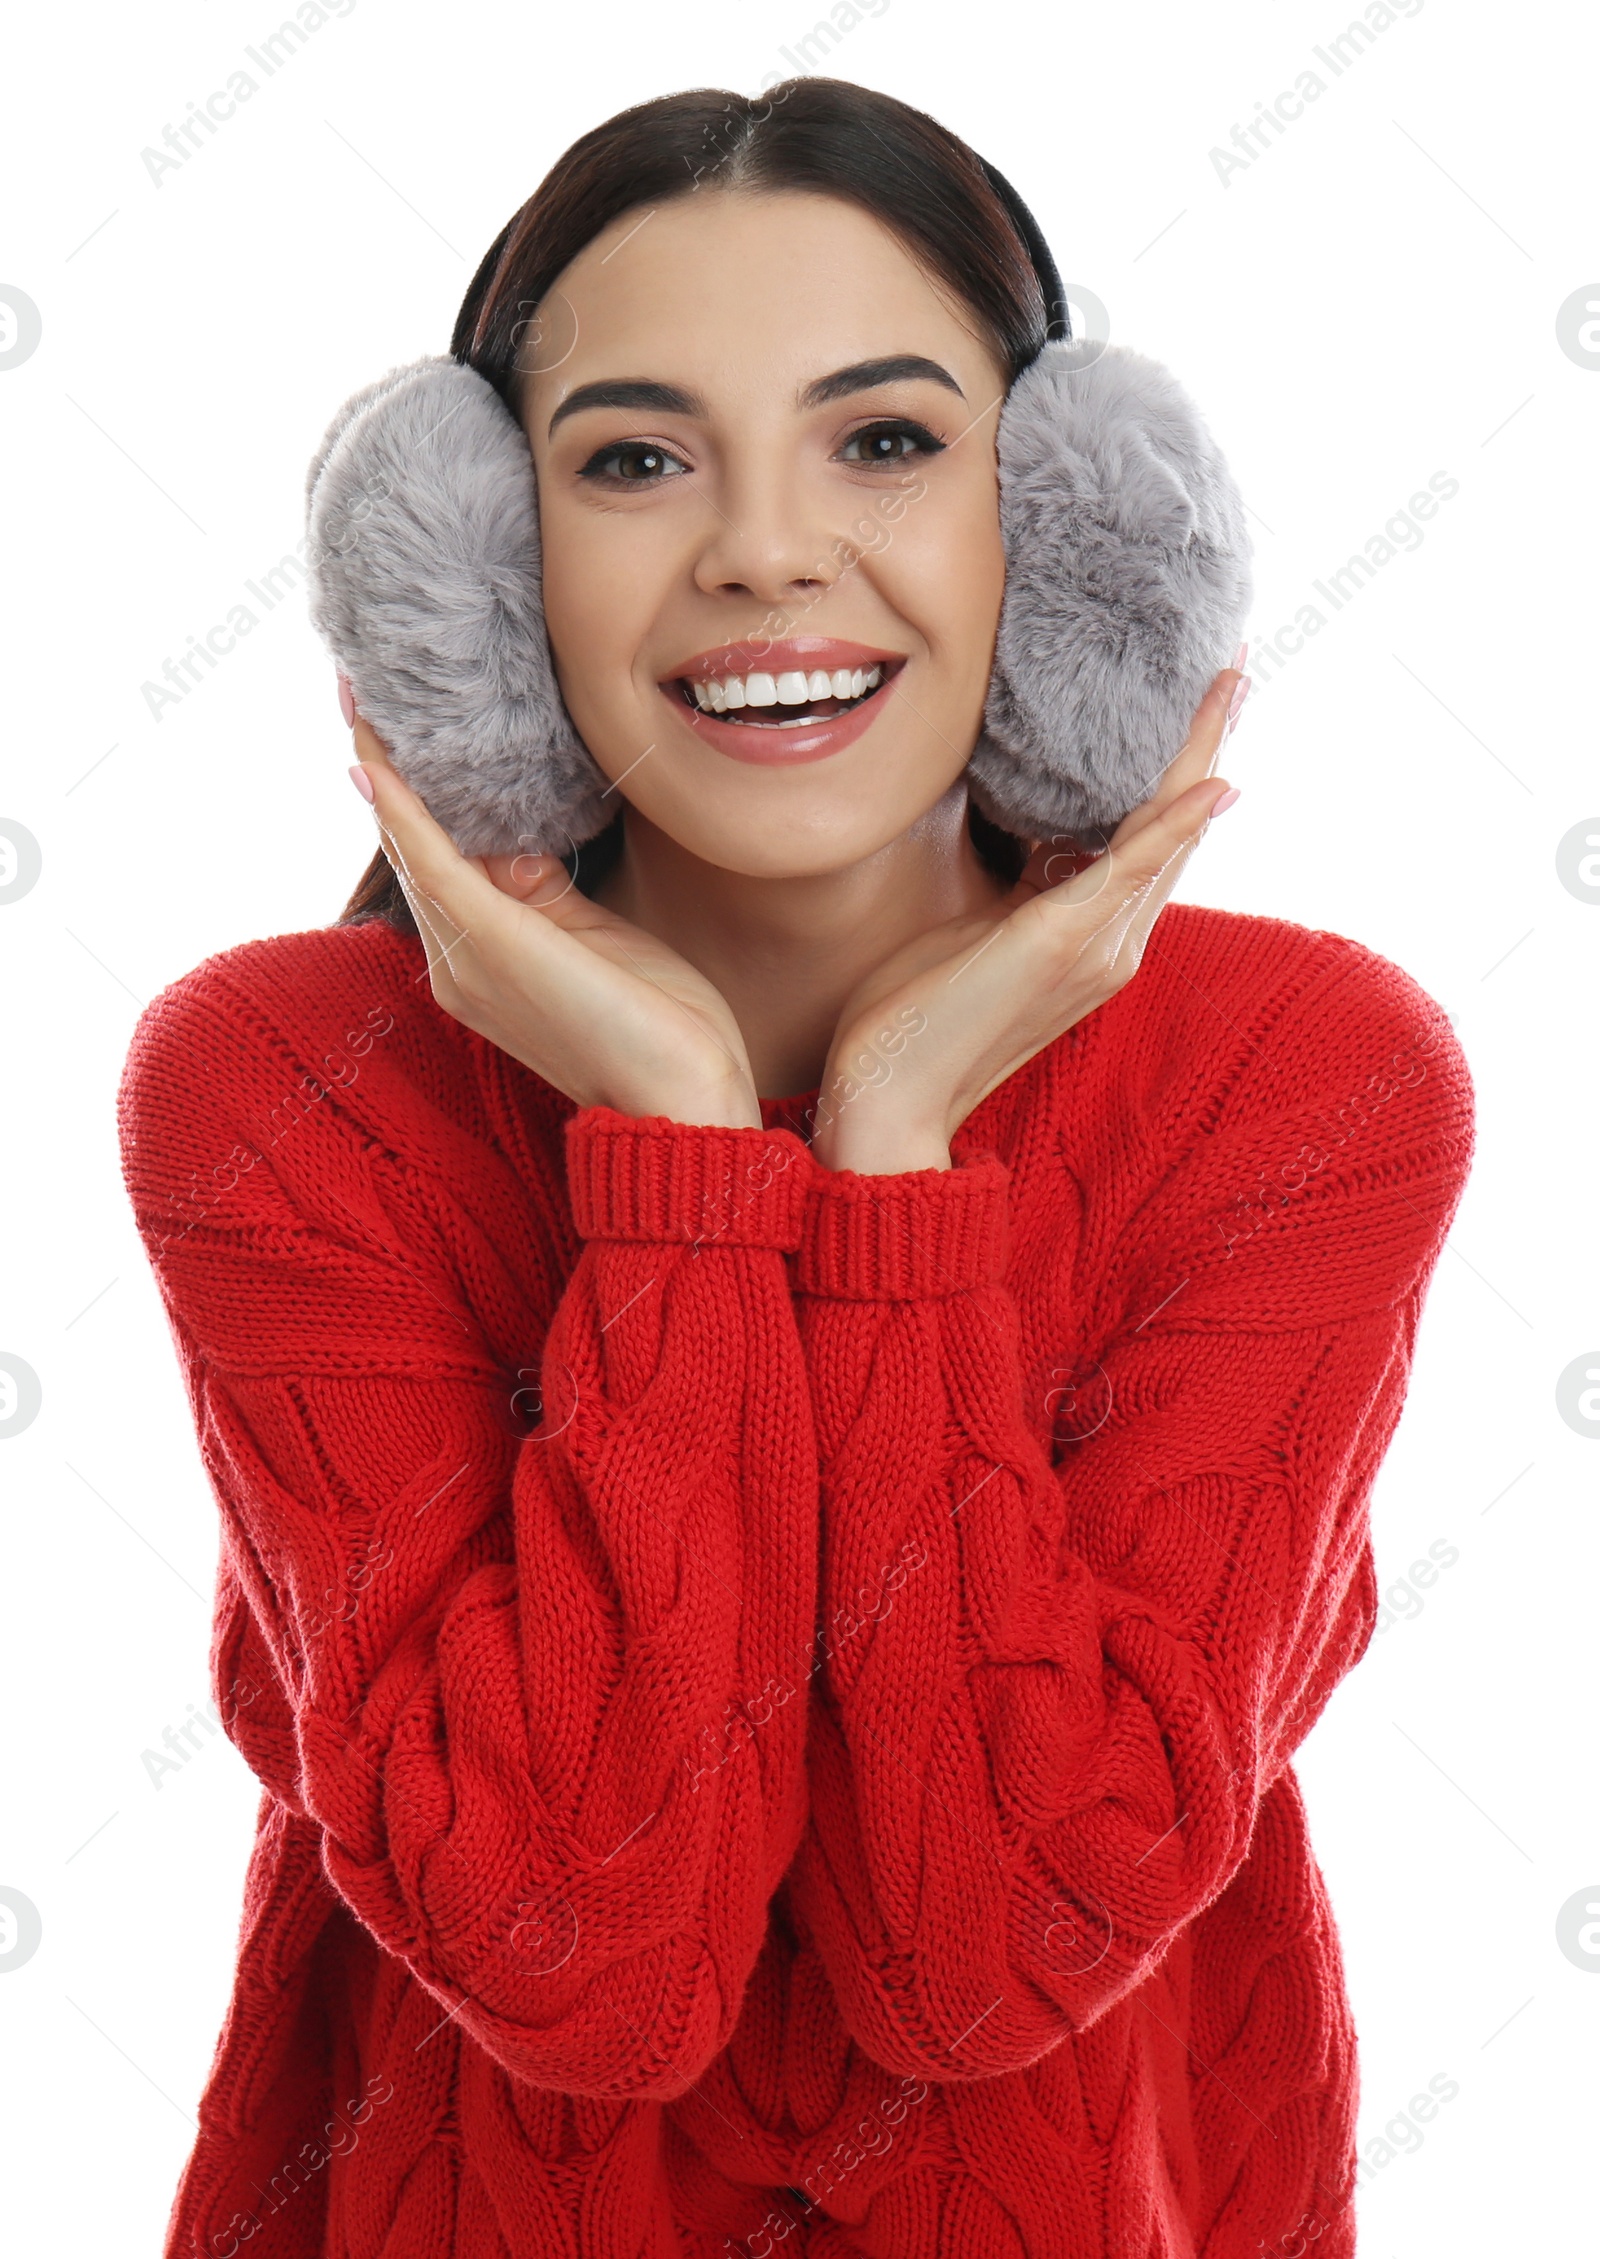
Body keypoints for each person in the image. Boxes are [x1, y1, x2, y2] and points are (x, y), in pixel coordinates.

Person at [118, 77, 1476, 2259]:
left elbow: (985, 1947)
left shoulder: (1304, 1082)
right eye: (636, 459)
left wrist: (888, 1160)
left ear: (1057, 529)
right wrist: (673, 1154)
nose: (758, 547)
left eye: (884, 439)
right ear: (477, 568)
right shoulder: (281, 1087)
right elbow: (585, 1953)